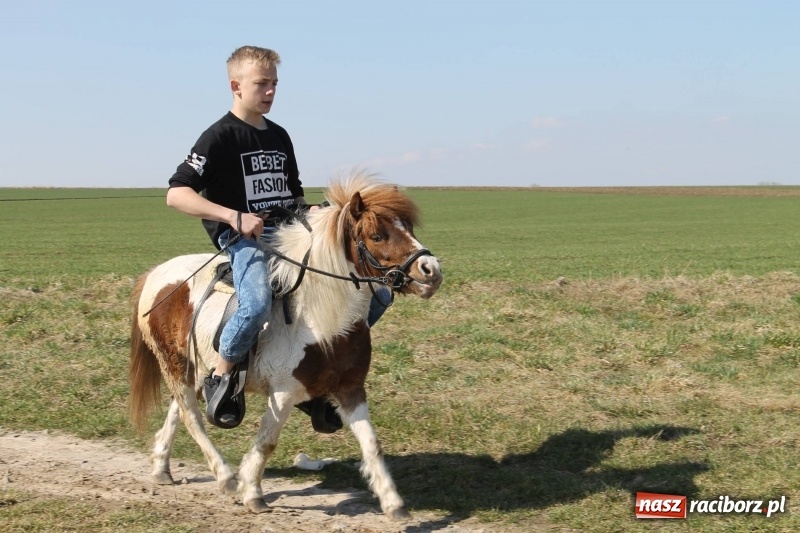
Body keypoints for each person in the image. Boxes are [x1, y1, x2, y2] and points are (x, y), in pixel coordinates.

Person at [167, 46, 315, 429]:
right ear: (236, 86)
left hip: (288, 235)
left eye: (274, 84)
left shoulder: (280, 135)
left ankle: (313, 380)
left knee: (364, 288)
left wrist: (312, 213)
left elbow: (293, 195)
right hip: (242, 240)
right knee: (256, 301)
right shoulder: (218, 137)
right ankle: (221, 374)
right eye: (261, 83)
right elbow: (177, 194)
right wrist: (233, 216)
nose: (270, 91)